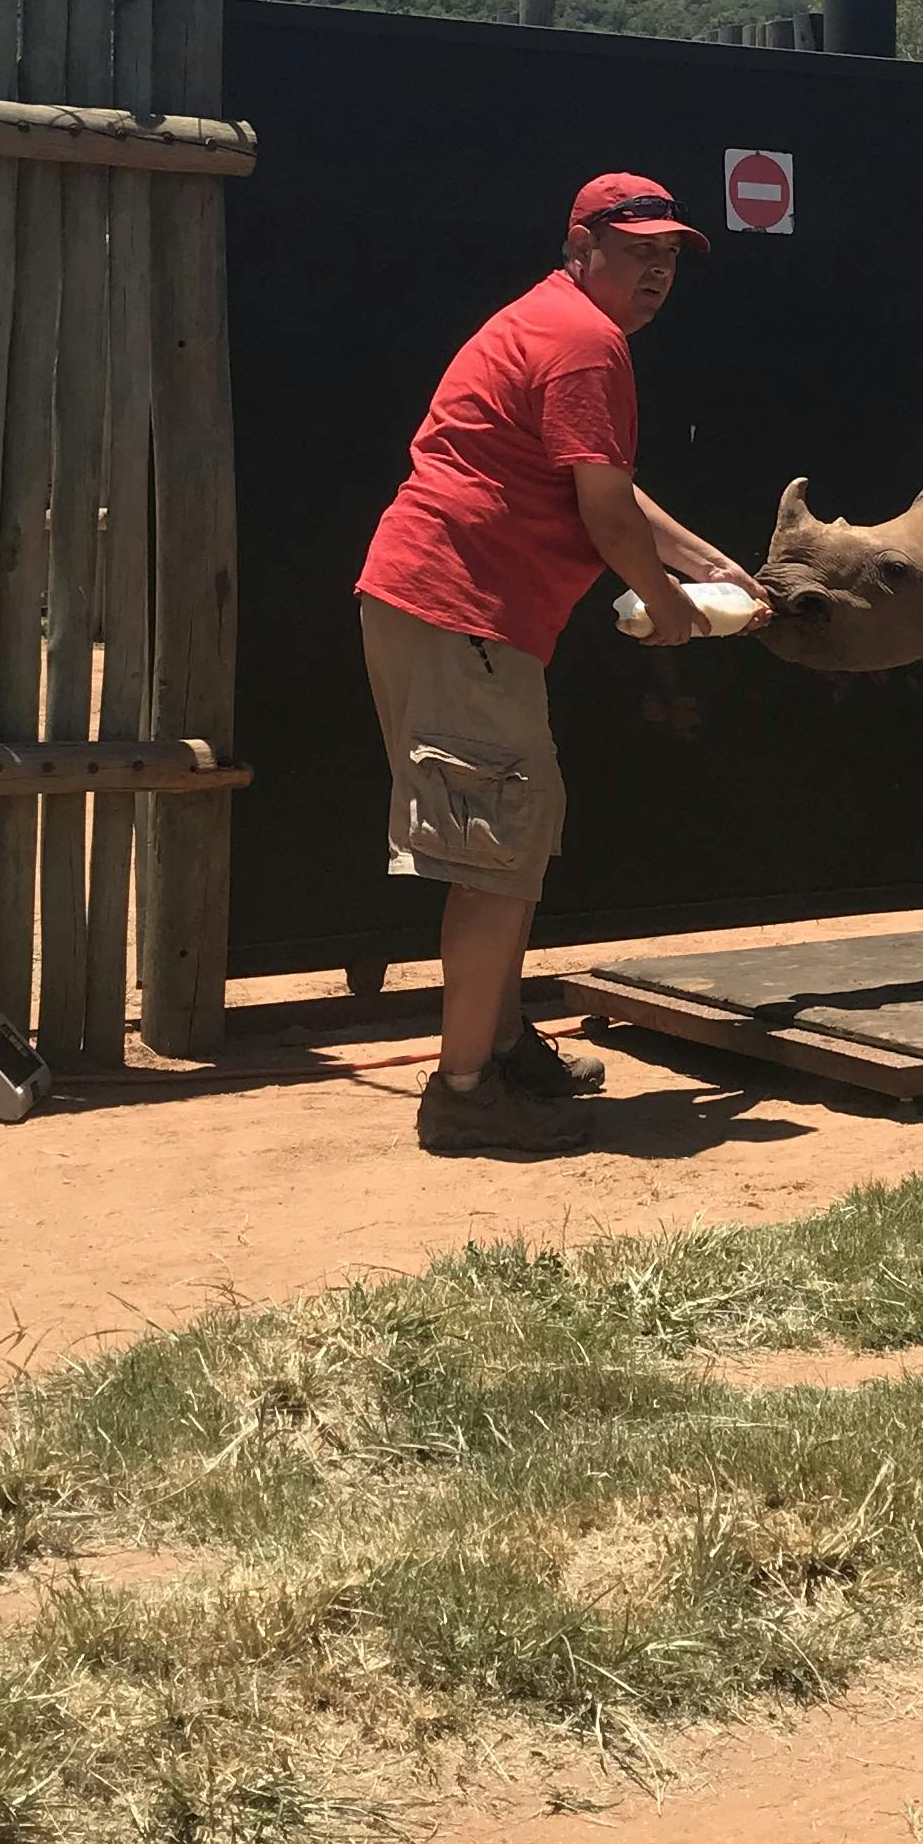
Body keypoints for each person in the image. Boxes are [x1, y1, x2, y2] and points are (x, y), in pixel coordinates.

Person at [357, 173, 753, 1155]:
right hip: (462, 615)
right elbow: (606, 515)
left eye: (669, 258)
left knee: (505, 845)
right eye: (637, 252)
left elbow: (605, 483)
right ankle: (464, 1092)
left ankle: (500, 1048)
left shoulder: (554, 324)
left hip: (435, 609)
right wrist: (672, 611)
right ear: (581, 248)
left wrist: (703, 564)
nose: (656, 273)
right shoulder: (585, 342)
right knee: (495, 858)